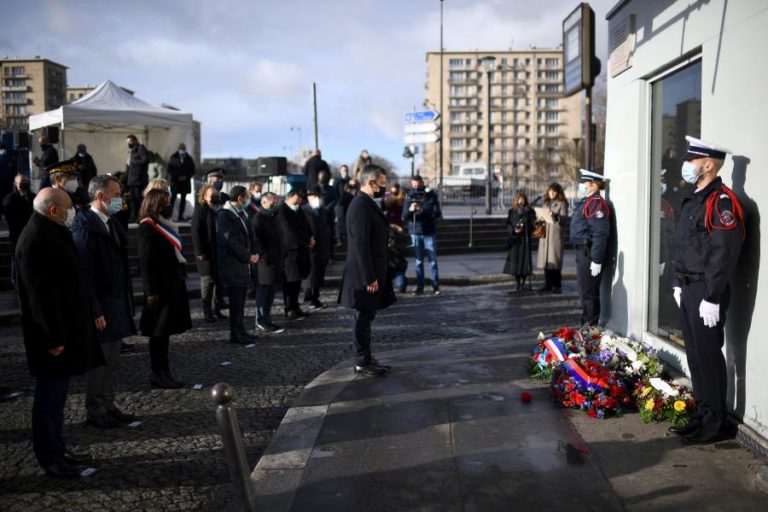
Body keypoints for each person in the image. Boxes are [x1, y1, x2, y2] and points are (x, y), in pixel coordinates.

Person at [16, 188, 102, 478]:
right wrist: (52, 338)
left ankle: (59, 448)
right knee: (49, 401)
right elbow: (39, 298)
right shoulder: (35, 239)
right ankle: (50, 457)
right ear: (53, 210)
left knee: (58, 400)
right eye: (68, 207)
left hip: (65, 334)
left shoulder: (51, 230)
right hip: (51, 340)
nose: (73, 211)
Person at [669, 136, 745, 445]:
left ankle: (716, 421)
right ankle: (703, 414)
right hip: (688, 286)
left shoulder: (721, 200)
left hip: (705, 289)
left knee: (710, 356)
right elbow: (684, 244)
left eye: (692, 159)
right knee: (696, 356)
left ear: (708, 164)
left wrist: (712, 296)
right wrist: (676, 280)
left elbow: (722, 251)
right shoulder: (694, 198)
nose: (686, 164)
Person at [71, 175, 136, 429]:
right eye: (117, 194)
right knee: (100, 361)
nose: (121, 199)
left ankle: (108, 404)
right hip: (102, 307)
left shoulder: (110, 221)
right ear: (101, 196)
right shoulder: (84, 225)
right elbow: (85, 274)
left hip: (116, 303)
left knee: (113, 360)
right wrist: (95, 308)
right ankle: (95, 408)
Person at [339, 164, 396, 376]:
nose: (385, 187)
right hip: (365, 276)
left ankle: (367, 358)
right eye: (382, 183)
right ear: (370, 183)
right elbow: (360, 245)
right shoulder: (360, 205)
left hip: (372, 270)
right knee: (362, 318)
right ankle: (362, 361)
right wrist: (369, 277)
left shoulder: (367, 203)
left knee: (367, 318)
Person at [137, 189, 192, 388]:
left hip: (170, 286)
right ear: (156, 203)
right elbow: (146, 262)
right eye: (166, 202)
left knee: (165, 332)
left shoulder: (162, 224)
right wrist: (150, 291)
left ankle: (165, 370)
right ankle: (157, 372)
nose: (169, 206)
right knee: (158, 333)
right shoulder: (148, 227)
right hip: (158, 290)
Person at [217, 185, 259, 345]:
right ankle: (235, 333)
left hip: (242, 264)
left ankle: (240, 330)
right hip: (232, 264)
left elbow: (249, 235)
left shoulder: (241, 213)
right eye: (246, 196)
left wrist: (254, 253)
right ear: (240, 198)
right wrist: (248, 256)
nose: (248, 199)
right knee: (235, 301)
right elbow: (230, 240)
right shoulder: (224, 215)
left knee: (241, 301)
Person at [569, 169, 611, 326]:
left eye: (584, 183)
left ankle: (590, 331)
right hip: (583, 253)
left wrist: (597, 259)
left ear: (593, 185)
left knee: (589, 295)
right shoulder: (587, 202)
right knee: (584, 294)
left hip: (589, 254)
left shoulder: (596, 204)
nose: (581, 186)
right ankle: (585, 328)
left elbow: (600, 233)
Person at [276, 189, 314, 320]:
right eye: (296, 201)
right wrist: (307, 240)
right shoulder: (282, 210)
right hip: (290, 251)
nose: (298, 204)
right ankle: (289, 308)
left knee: (297, 281)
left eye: (299, 202)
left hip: (301, 250)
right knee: (290, 282)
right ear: (290, 197)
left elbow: (305, 226)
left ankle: (296, 306)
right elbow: (289, 231)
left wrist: (310, 238)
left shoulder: (298, 210)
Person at [401, 175, 442, 295]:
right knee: (419, 261)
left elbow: (437, 213)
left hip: (429, 232)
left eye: (418, 184)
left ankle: (436, 286)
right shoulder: (409, 196)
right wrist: (410, 210)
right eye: (414, 185)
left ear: (422, 183)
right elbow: (404, 216)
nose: (416, 187)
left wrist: (423, 210)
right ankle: (420, 287)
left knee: (432, 261)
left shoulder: (430, 194)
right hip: (415, 231)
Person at [192, 184, 226, 323]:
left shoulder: (217, 209)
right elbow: (196, 231)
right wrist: (199, 251)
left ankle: (216, 309)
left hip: (217, 251)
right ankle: (207, 312)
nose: (214, 196)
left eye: (215, 193)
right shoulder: (201, 210)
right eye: (211, 194)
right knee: (207, 282)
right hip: (206, 252)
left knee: (218, 282)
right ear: (204, 197)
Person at [252, 192, 284, 333]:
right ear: (264, 203)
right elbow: (256, 241)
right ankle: (260, 320)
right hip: (264, 263)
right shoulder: (258, 219)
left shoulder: (274, 218)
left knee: (270, 293)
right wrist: (265, 255)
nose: (276, 205)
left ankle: (267, 319)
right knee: (262, 292)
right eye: (273, 203)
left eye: (277, 203)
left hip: (275, 261)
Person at [302, 185, 333, 309]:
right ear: (309, 197)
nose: (319, 199)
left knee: (319, 274)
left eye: (320, 196)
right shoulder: (304, 210)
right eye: (316, 196)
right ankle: (309, 297)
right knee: (311, 275)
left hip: (322, 247)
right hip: (311, 248)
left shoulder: (323, 211)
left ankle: (315, 296)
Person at [3, 174, 35, 288]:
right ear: (15, 184)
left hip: (32, 235)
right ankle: (15, 282)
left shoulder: (33, 197)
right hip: (17, 235)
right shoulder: (9, 199)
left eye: (26, 181)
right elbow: (11, 219)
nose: (25, 183)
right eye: (22, 182)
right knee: (16, 260)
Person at [536, 183, 569, 293]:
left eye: (554, 191)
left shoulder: (562, 204)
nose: (552, 193)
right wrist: (538, 219)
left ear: (558, 192)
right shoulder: (545, 203)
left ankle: (557, 285)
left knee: (555, 261)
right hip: (545, 236)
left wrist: (553, 215)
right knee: (546, 261)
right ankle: (547, 284)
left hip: (555, 237)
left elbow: (564, 220)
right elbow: (540, 220)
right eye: (550, 191)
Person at [504, 192, 536, 291]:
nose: (521, 201)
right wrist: (514, 229)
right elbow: (508, 224)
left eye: (523, 199)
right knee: (516, 262)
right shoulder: (512, 211)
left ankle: (523, 282)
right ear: (516, 200)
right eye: (519, 199)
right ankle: (517, 282)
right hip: (515, 240)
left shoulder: (530, 212)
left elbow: (533, 225)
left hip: (525, 240)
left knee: (524, 262)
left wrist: (527, 227)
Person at [167, 143, 195, 222]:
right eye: (181, 149)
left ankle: (180, 216)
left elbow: (192, 170)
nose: (182, 151)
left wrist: (186, 177)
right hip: (175, 182)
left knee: (183, 200)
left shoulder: (189, 158)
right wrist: (177, 177)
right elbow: (169, 170)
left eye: (183, 149)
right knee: (172, 199)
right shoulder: (173, 157)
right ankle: (169, 215)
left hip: (185, 182)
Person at [126, 134, 150, 222]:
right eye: (127, 142)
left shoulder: (141, 148)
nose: (129, 143)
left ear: (135, 140)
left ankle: (141, 216)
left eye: (130, 141)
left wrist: (133, 162)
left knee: (139, 199)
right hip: (132, 180)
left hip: (139, 180)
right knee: (132, 200)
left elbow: (145, 160)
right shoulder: (132, 151)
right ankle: (133, 217)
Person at [388, 223, 409, 293]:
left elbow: (406, 251)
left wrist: (394, 246)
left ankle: (403, 280)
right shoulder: (380, 237)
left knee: (401, 286)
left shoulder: (399, 237)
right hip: (385, 269)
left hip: (397, 268)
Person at [334, 165, 351, 245]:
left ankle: (347, 239)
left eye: (346, 170)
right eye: (344, 170)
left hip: (348, 204)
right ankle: (339, 239)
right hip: (339, 204)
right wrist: (338, 201)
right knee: (339, 222)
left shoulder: (350, 180)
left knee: (348, 221)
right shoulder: (337, 180)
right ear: (340, 171)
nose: (345, 172)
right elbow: (335, 191)